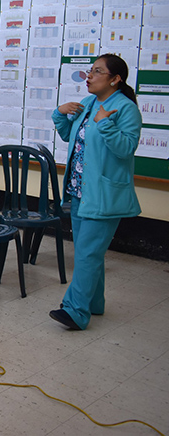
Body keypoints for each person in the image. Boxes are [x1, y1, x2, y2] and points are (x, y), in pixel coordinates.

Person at [49, 54, 142, 331]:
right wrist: (60, 113)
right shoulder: (88, 104)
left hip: (104, 195)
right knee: (89, 252)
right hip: (79, 191)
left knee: (88, 254)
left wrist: (104, 123)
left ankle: (76, 311)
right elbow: (72, 138)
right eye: (90, 71)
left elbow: (125, 149)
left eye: (97, 71)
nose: (89, 76)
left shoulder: (125, 109)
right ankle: (95, 303)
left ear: (115, 79)